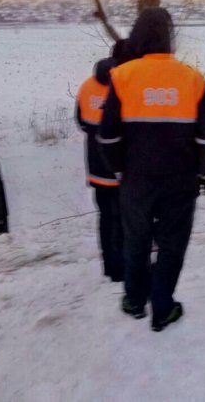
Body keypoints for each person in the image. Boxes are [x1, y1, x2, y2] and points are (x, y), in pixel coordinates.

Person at [98, 8, 205, 332]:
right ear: (170, 38)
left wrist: (119, 169)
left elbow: (107, 134)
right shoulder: (193, 79)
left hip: (135, 179)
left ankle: (135, 300)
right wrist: (203, 170)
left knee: (135, 239)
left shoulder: (122, 77)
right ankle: (163, 307)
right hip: (180, 179)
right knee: (172, 243)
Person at [75, 41, 127, 282]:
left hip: (96, 166)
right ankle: (125, 266)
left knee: (106, 218)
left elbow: (81, 122)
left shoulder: (86, 86)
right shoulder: (124, 85)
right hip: (121, 167)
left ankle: (110, 267)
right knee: (126, 218)